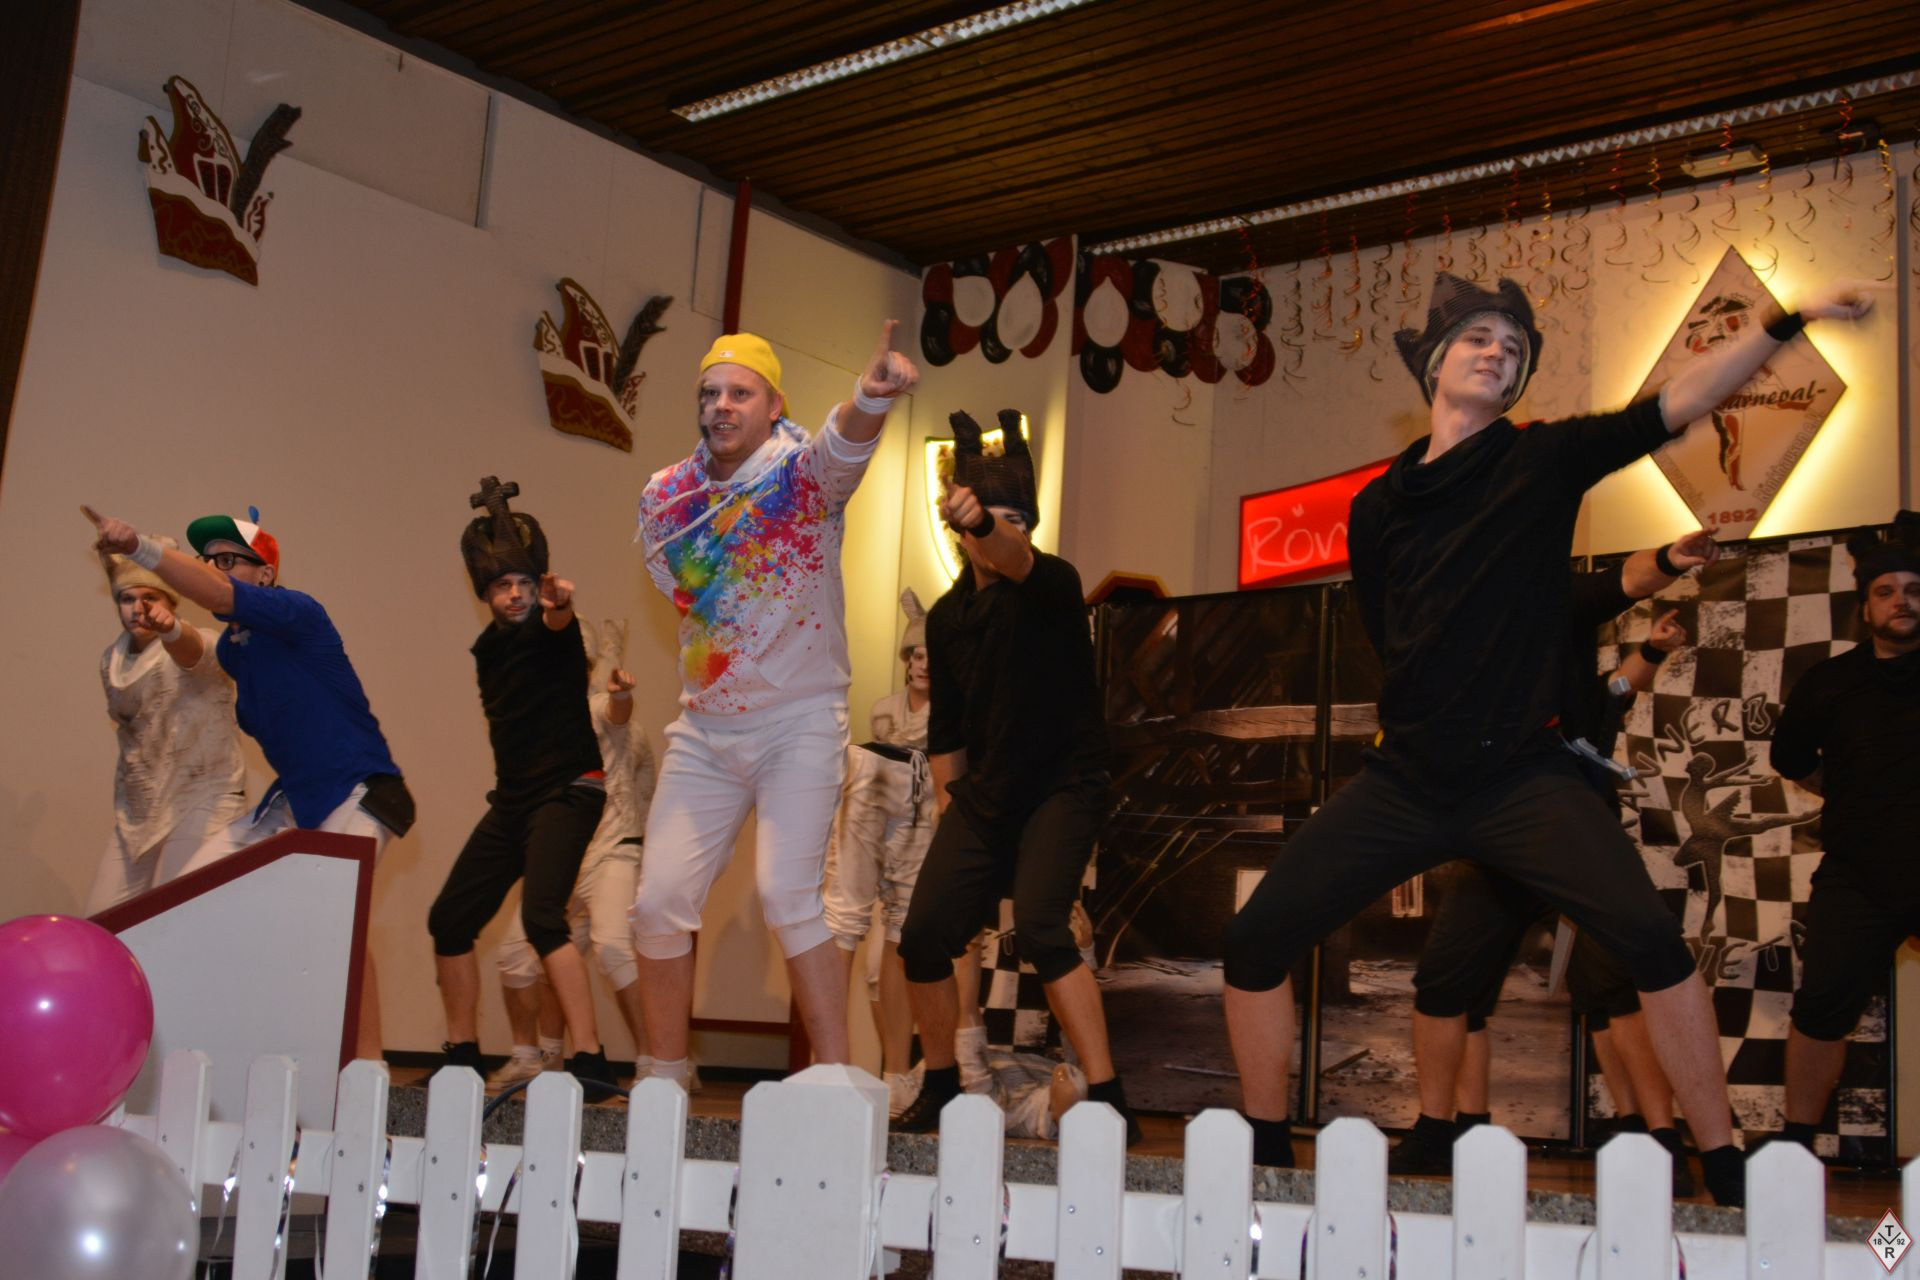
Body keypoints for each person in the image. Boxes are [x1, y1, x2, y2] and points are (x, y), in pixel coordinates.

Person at [1218, 272, 1880, 1206]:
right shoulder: (1377, 507)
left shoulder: (1541, 460)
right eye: (1479, 337)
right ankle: (1263, 1158)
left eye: (1515, 347)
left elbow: (1676, 404)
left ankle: (1724, 1165)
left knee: (1650, 945)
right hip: (1406, 779)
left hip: (1522, 779)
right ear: (1434, 362)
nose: (1499, 352)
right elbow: (1388, 630)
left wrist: (1787, 316)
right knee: (1253, 944)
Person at [632, 325, 918, 1084]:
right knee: (657, 902)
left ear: (773, 404)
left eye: (740, 392)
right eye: (710, 393)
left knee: (786, 895)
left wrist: (870, 397)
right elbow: (676, 584)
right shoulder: (668, 495)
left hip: (799, 721)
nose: (721, 406)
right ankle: (666, 1075)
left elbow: (842, 449)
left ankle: (836, 1081)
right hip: (706, 728)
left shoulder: (800, 478)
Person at [1393, 537, 1713, 1191]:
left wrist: (1656, 647)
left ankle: (1659, 1140)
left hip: (1581, 852)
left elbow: (1622, 681)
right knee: (1449, 988)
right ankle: (1452, 1131)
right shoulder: (1489, 697)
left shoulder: (1586, 694)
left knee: (1620, 994)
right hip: (1498, 857)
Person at [84, 504, 412, 1059]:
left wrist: (139, 546)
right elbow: (199, 646)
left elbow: (217, 598)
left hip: (359, 792)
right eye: (206, 559)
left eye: (229, 559)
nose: (215, 567)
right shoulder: (240, 651)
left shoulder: (299, 612)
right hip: (295, 805)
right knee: (185, 900)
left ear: (265, 574)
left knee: (338, 924)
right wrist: (169, 626)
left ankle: (368, 1069)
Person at [894, 409, 1134, 1142]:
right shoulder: (945, 618)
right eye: (991, 519)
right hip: (987, 795)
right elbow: (947, 731)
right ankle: (941, 1084)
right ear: (959, 535)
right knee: (923, 935)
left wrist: (984, 522)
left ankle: (1108, 1097)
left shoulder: (1051, 582)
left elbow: (1014, 557)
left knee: (1040, 925)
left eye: (1016, 521)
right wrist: (950, 817)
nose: (1007, 532)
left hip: (1064, 785)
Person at [427, 478, 614, 1092]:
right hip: (513, 801)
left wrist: (559, 605)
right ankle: (462, 1055)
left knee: (541, 918)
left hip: (570, 790)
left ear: (540, 588)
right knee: (449, 918)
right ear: (485, 592)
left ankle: (589, 1061)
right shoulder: (486, 649)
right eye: (503, 586)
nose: (515, 595)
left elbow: (558, 621)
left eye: (525, 585)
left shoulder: (554, 631)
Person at [1770, 511, 1920, 1152]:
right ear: (1866, 607)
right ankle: (1796, 1148)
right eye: (1887, 592)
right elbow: (1789, 758)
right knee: (1821, 1008)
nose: (1901, 601)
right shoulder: (1830, 682)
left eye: (1913, 590)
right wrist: (1851, 794)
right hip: (1857, 875)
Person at [489, 618, 660, 1089]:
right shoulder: (533, 720)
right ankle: (532, 1057)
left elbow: (616, 712)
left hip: (612, 852)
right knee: (516, 955)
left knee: (613, 947)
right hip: (564, 855)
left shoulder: (599, 708)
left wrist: (621, 694)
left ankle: (656, 1064)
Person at [85, 537, 249, 913]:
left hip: (202, 797)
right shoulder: (111, 660)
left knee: (179, 914)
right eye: (127, 599)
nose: (138, 608)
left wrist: (172, 629)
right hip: (139, 809)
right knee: (102, 918)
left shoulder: (201, 641)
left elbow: (191, 651)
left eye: (150, 598)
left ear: (170, 602)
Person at [824, 589, 935, 1115]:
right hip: (875, 789)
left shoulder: (950, 712)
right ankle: (829, 1066)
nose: (923, 664)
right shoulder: (883, 710)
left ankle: (897, 1073)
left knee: (902, 933)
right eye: (917, 654)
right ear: (906, 660)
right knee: (846, 919)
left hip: (923, 807)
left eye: (932, 656)